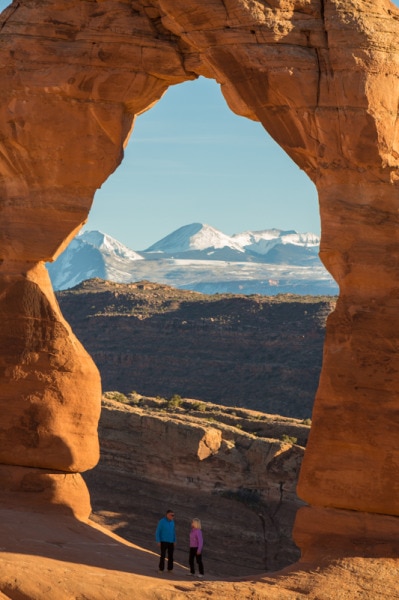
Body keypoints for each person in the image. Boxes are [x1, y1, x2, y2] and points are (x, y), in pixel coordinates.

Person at [155, 509, 176, 573]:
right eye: (171, 515)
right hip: (163, 541)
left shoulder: (172, 522)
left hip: (171, 541)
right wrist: (158, 541)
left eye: (173, 515)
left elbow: (173, 532)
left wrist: (174, 540)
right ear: (167, 514)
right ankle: (161, 569)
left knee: (171, 556)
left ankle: (170, 569)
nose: (172, 516)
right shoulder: (162, 521)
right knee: (163, 555)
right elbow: (158, 531)